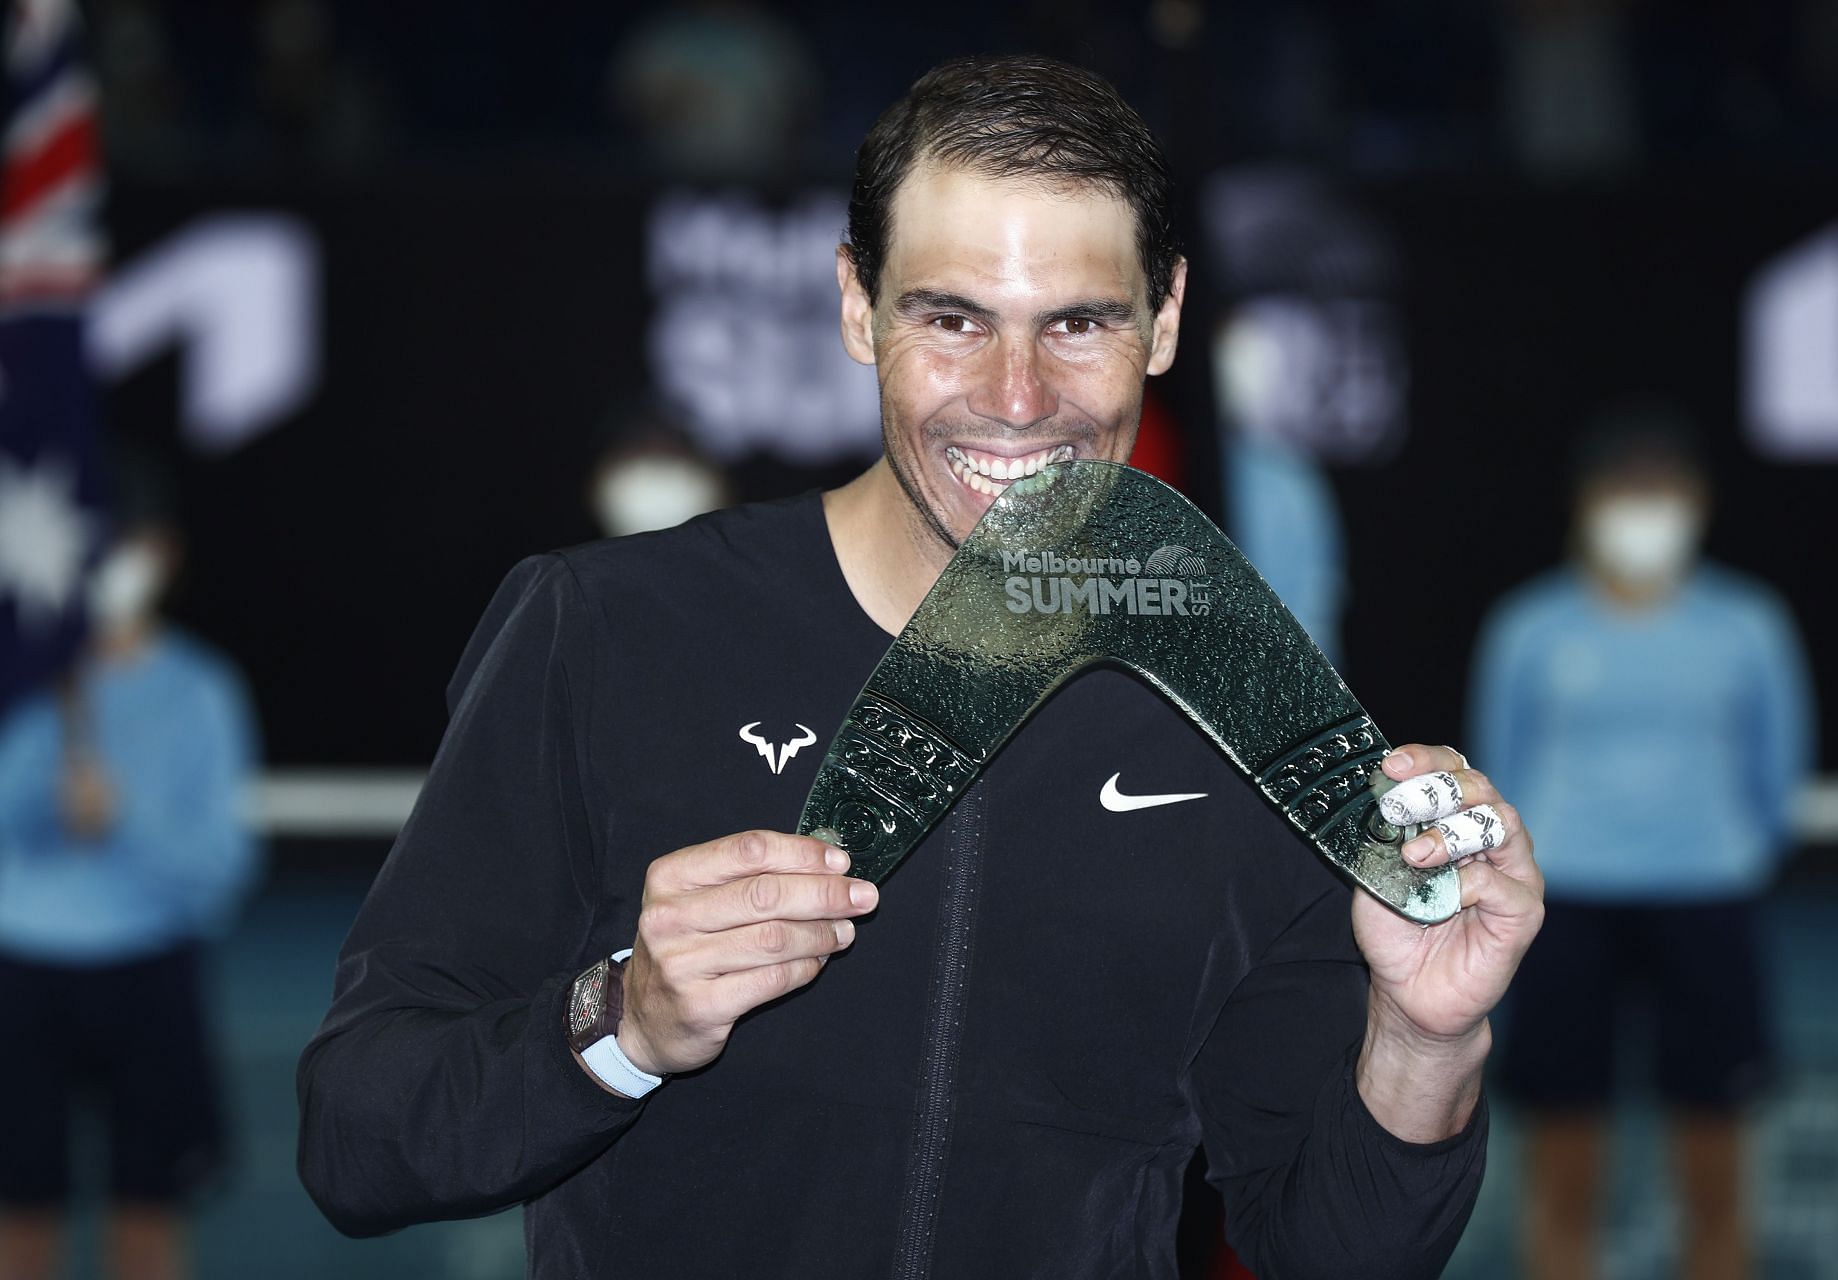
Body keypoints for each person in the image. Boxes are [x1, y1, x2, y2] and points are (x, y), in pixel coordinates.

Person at [298, 55, 1543, 1278]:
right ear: (857, 305)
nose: (1015, 396)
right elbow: (359, 1139)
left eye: (1078, 324)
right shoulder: (608, 628)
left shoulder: (1232, 711)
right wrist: (621, 1024)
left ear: (1164, 320)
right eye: (952, 319)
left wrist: (1426, 1037)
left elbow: (1339, 1246)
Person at [1469, 410, 1813, 1280]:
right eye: (1625, 491)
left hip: (1707, 900)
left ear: (1697, 503)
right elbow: (1501, 768)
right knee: (1563, 1163)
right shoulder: (1529, 629)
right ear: (1585, 505)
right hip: (1566, 906)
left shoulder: (1750, 626)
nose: (1644, 510)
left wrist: (1724, 852)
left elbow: (1779, 776)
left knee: (1715, 1166)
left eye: (1661, 491)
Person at [0, 472, 261, 1280]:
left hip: (151, 972)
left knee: (148, 1219)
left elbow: (221, 872)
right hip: (20, 974)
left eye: (135, 542)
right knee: (19, 1222)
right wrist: (49, 793)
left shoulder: (203, 690)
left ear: (166, 555)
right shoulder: (22, 681)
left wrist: (124, 821)